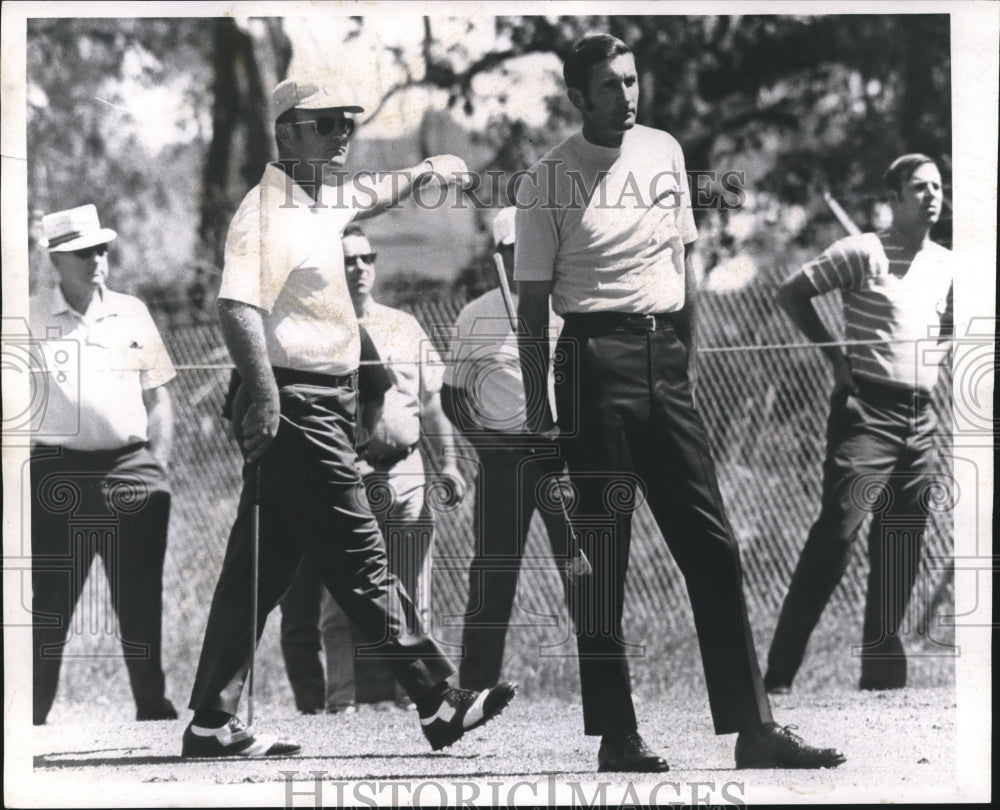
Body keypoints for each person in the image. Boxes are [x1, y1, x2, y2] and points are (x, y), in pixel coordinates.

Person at [514, 34, 845, 772]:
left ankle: (753, 729)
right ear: (577, 97)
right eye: (608, 86)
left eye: (632, 81)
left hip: (666, 361)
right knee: (605, 559)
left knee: (714, 546)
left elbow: (683, 261)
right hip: (591, 366)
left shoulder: (663, 152)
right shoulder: (546, 181)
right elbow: (532, 309)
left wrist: (682, 368)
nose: (626, 97)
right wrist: (542, 410)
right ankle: (617, 736)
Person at [182, 77, 516, 758]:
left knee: (258, 569)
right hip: (296, 402)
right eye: (328, 123)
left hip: (324, 401)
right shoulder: (265, 212)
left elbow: (375, 192)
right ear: (288, 132)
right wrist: (269, 397)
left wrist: (429, 170)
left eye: (348, 124)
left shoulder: (322, 199)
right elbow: (236, 307)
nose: (343, 135)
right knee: (362, 553)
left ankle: (211, 722)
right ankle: (438, 700)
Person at [764, 154, 954, 694]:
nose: (931, 197)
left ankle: (882, 680)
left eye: (937, 187)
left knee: (901, 544)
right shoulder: (861, 252)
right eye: (918, 188)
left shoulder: (947, 264)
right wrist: (834, 356)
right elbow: (791, 292)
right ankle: (777, 677)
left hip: (922, 420)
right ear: (892, 198)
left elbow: (954, 320)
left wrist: (932, 359)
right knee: (836, 538)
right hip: (866, 414)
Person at [279, 224, 461, 713]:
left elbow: (430, 403)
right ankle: (343, 701)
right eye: (347, 260)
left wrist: (450, 465)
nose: (358, 269)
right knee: (341, 597)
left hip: (406, 473)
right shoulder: (318, 332)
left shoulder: (404, 327)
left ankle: (419, 699)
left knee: (413, 591)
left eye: (366, 258)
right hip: (347, 477)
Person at [29, 204, 178, 725]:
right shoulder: (28, 317)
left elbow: (158, 398)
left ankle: (152, 706)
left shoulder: (132, 313)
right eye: (82, 251)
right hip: (57, 473)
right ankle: (30, 713)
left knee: (139, 595)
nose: (96, 259)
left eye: (100, 249)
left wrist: (155, 466)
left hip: (130, 468)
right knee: (49, 600)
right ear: (56, 260)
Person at [441, 206, 574, 691]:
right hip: (503, 459)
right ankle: (475, 689)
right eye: (518, 249)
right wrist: (485, 444)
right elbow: (452, 396)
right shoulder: (475, 315)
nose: (530, 257)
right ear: (502, 254)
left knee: (584, 566)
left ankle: (608, 679)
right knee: (493, 572)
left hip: (563, 456)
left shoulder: (571, 303)